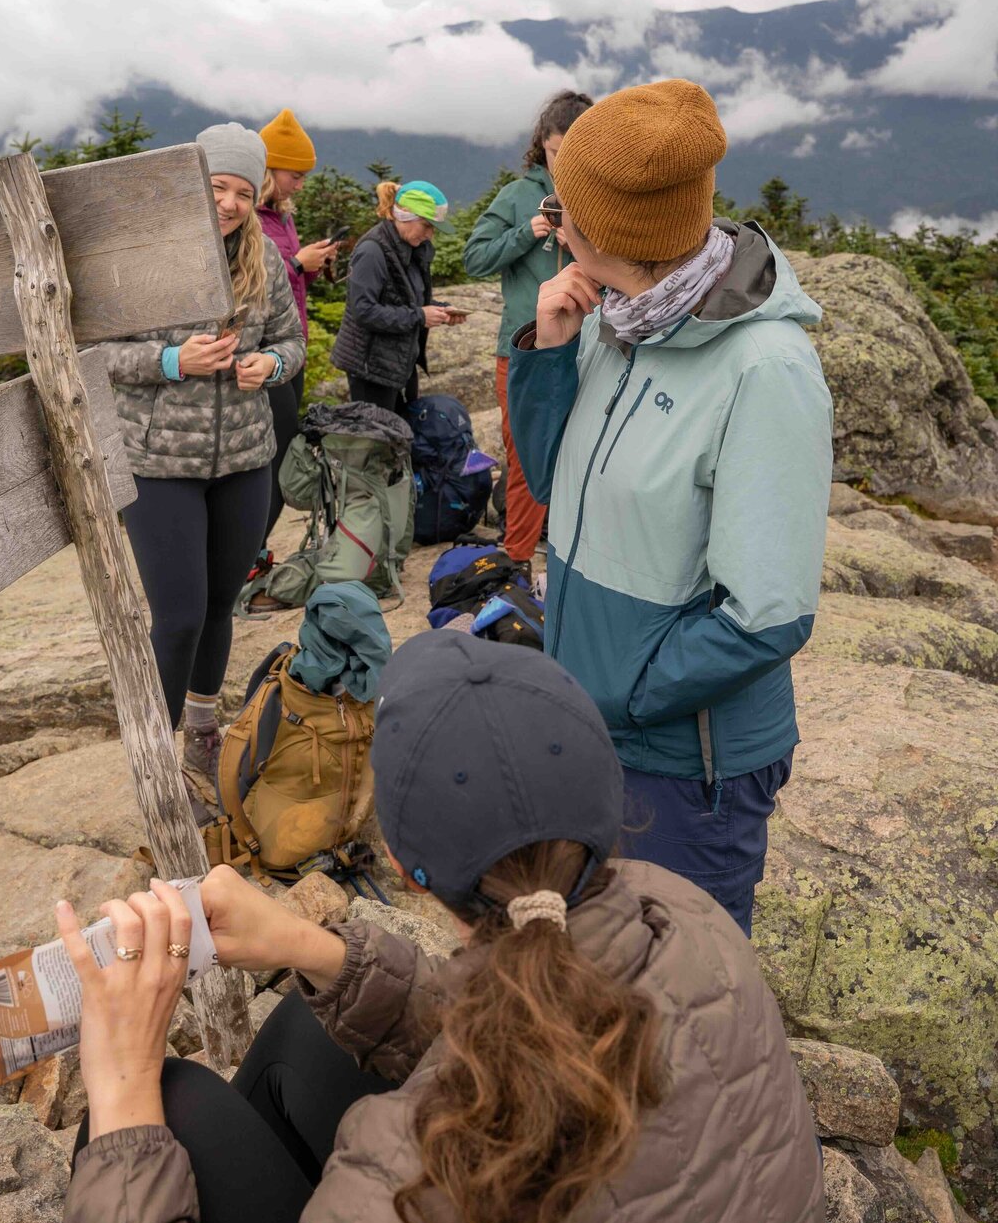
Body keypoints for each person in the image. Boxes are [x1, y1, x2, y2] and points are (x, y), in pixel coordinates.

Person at [33, 631, 825, 1223]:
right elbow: (526, 1014)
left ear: (411, 874)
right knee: (311, 1036)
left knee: (168, 1107)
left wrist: (123, 1088)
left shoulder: (435, 1207)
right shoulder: (680, 912)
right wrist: (306, 947)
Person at [507, 79, 834, 936]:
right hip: (601, 726)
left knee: (684, 1011)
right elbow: (554, 487)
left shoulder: (764, 370)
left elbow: (768, 614)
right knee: (602, 973)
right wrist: (546, 353)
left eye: (560, 209)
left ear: (603, 229)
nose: (553, 224)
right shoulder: (627, 319)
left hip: (689, 767)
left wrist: (621, 687)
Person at [100, 122, 304, 806]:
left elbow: (292, 341)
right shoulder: (144, 257)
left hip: (244, 458)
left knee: (222, 604)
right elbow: (93, 355)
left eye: (243, 192)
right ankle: (154, 767)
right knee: (180, 614)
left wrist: (271, 363)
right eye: (217, 186)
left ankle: (204, 728)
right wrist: (172, 362)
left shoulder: (262, 258)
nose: (229, 203)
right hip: (158, 465)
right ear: (191, 182)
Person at [463, 90, 592, 569]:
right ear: (542, 144)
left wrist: (581, 242)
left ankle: (565, 547)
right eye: (558, 152)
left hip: (590, 347)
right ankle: (515, 560)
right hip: (522, 346)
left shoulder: (597, 196)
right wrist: (529, 231)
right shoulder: (519, 196)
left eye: (577, 153)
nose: (565, 164)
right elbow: (474, 257)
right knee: (524, 456)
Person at [255, 109, 339, 557]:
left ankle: (254, 552)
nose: (300, 184)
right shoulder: (248, 219)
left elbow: (290, 288)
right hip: (263, 355)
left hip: (294, 349)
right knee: (272, 462)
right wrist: (294, 264)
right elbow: (246, 288)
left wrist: (308, 268)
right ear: (269, 170)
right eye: (295, 174)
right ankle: (249, 555)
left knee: (280, 458)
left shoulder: (284, 218)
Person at [331, 178, 452, 414]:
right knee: (377, 443)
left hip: (397, 364)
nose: (430, 235)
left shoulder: (412, 250)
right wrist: (419, 316)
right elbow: (364, 311)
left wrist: (440, 310)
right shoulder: (372, 251)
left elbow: (409, 300)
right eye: (426, 226)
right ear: (406, 216)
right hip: (370, 370)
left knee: (400, 439)